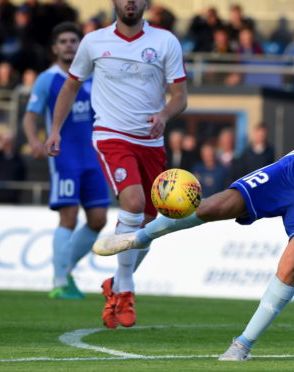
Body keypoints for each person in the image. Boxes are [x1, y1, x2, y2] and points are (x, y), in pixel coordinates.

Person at [93, 29, 294, 361]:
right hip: (292, 171)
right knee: (216, 205)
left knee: (292, 261)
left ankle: (241, 346)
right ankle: (137, 238)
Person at [44, 0, 187, 328]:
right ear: (114, 3)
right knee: (133, 204)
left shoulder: (165, 42)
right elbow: (70, 85)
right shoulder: (94, 41)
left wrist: (164, 115)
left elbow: (180, 95)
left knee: (151, 224)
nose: (130, 2)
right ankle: (126, 292)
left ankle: (116, 282)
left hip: (151, 141)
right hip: (111, 134)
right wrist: (54, 130)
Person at [23, 22, 111, 299]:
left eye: (74, 40)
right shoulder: (48, 79)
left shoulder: (95, 75)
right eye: (63, 41)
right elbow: (30, 115)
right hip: (65, 158)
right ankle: (59, 281)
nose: (69, 45)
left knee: (98, 220)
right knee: (69, 217)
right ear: (55, 48)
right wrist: (36, 142)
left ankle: (65, 268)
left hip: (95, 158)